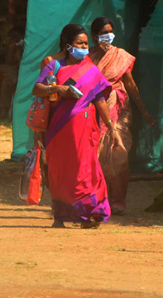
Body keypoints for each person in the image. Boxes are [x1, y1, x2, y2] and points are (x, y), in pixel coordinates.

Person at [32, 23, 115, 228]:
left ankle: (87, 214)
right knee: (60, 171)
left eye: (86, 43)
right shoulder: (54, 66)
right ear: (68, 45)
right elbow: (37, 88)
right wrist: (59, 89)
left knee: (85, 170)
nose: (85, 47)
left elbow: (100, 100)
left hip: (84, 130)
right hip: (58, 130)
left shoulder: (90, 69)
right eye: (80, 43)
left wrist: (110, 125)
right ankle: (60, 215)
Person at [89, 16, 155, 215]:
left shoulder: (121, 56)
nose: (107, 36)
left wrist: (144, 110)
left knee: (119, 153)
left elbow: (131, 85)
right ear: (94, 36)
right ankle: (99, 199)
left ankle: (118, 201)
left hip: (119, 108)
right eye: (103, 33)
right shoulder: (87, 57)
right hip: (94, 110)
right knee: (97, 155)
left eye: (110, 31)